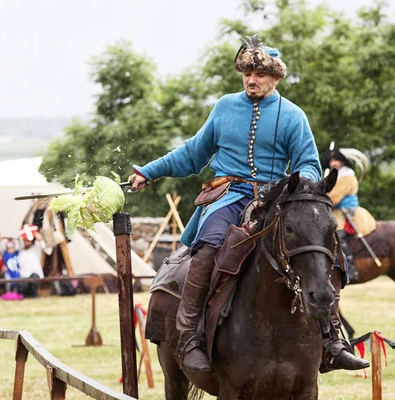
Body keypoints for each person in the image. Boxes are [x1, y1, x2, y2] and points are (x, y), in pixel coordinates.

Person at [128, 34, 368, 373]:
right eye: (247, 73)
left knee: (320, 248)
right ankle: (189, 339)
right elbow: (193, 153)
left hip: (277, 198)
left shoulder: (293, 115)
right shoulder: (225, 107)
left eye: (260, 74)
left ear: (276, 77)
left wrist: (299, 188)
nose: (252, 80)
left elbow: (308, 165)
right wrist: (149, 172)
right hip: (227, 195)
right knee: (209, 248)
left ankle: (331, 340)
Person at [321, 147, 377, 273]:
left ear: (343, 161)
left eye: (336, 160)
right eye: (331, 161)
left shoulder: (346, 177)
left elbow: (334, 198)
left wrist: (322, 195)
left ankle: (350, 267)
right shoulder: (338, 175)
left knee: (338, 235)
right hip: (337, 211)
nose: (333, 163)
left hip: (347, 213)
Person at [18, 224, 45, 298]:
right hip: (23, 276)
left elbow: (41, 240)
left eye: (28, 240)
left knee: (34, 279)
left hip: (34, 275)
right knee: (22, 286)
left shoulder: (36, 248)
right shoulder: (20, 251)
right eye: (25, 240)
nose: (27, 242)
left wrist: (32, 232)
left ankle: (34, 295)